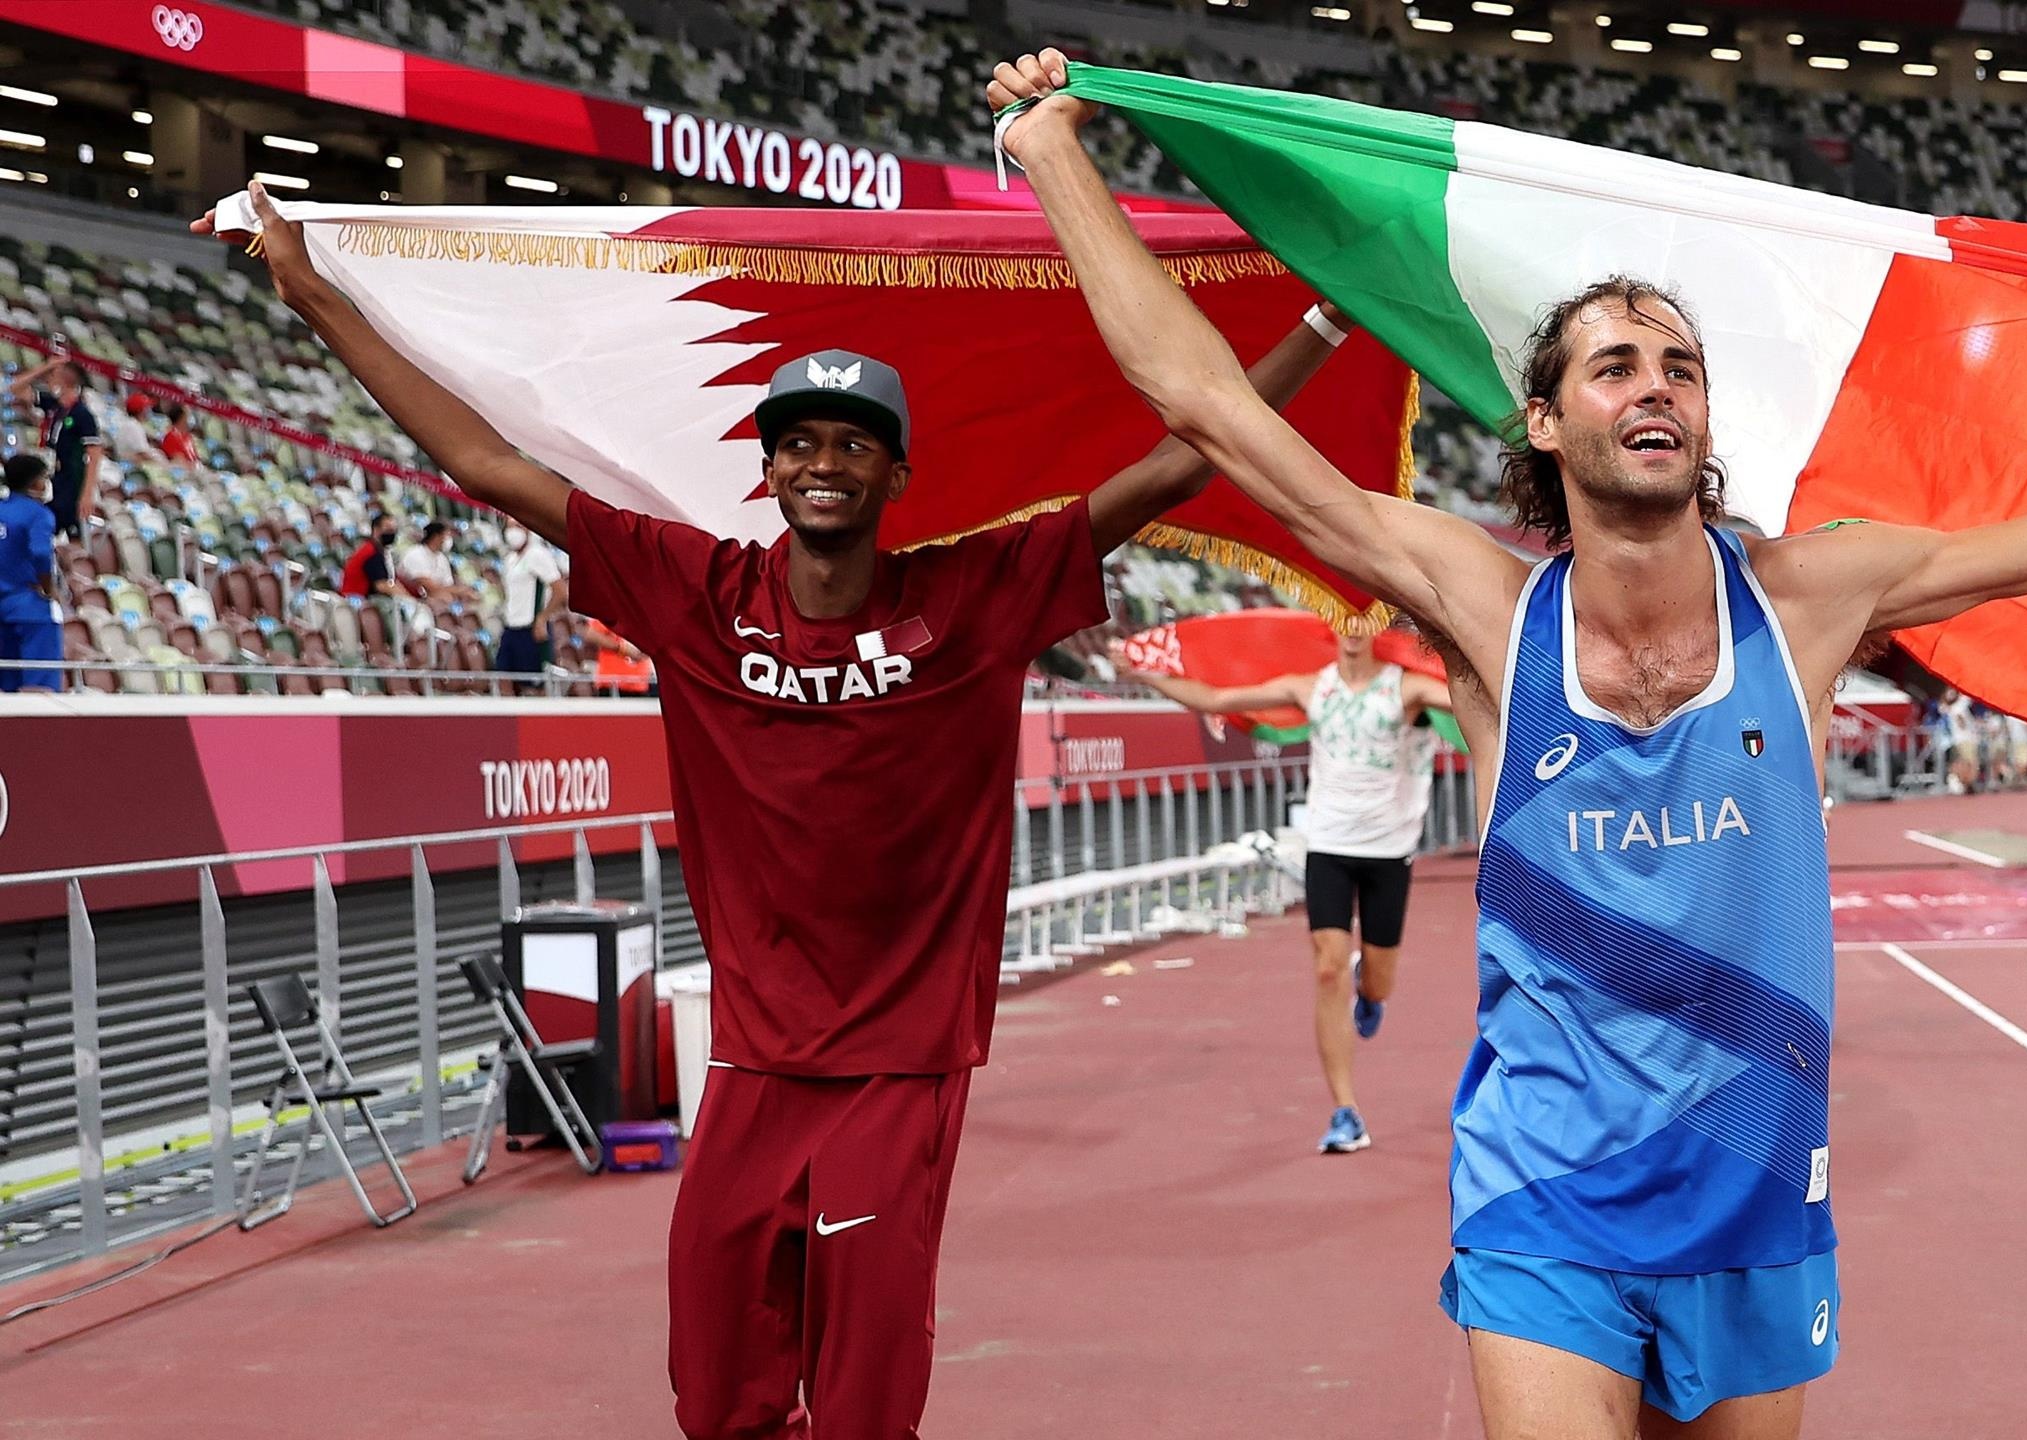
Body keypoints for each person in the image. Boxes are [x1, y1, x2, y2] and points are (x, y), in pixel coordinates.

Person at [991, 49, 2027, 1439]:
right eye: (1613, 366)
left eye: (1680, 368)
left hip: (1753, 1186)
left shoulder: (1811, 597)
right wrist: (1056, 155)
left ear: (1705, 418)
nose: (1653, 387)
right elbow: (1212, 410)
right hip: (1543, 1194)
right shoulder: (1486, 609)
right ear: (1543, 419)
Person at [197, 179, 1353, 1440]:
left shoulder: (976, 594)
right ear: (767, 466)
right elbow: (483, 462)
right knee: (718, 1397)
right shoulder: (691, 589)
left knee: (860, 1407)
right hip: (751, 1062)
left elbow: (1178, 463)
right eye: (799, 442)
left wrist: (1325, 327)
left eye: (853, 443)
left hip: (899, 1066)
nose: (823, 463)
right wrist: (309, 290)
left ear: (897, 472)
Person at [1134, 625, 1450, 1153]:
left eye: (1363, 620)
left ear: (1378, 630)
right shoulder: (1310, 688)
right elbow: (1216, 697)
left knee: (1378, 979)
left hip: (1388, 853)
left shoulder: (1407, 689)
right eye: (1342, 620)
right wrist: (1143, 674)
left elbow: (1466, 702)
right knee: (1326, 968)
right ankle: (1345, 1111)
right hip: (1327, 845)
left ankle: (1369, 991)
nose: (1353, 631)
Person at [7, 356, 100, 539]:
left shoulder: (82, 414)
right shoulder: (53, 405)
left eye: (53, 376)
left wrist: (87, 493)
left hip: (69, 482)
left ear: (65, 382)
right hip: (47, 478)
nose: (48, 380)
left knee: (60, 530)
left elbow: (94, 454)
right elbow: (14, 388)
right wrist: (45, 367)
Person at [0, 453, 60, 692]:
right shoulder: (38, 514)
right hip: (28, 605)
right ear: (35, 482)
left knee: (6, 688)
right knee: (40, 688)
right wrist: (48, 586)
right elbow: (40, 553)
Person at [495, 520, 567, 688]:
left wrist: (542, 618)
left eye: (518, 526)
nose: (513, 531)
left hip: (531, 627)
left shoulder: (537, 554)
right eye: (510, 526)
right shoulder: (510, 559)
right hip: (511, 626)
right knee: (503, 678)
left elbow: (560, 591)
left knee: (535, 683)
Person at [397, 519, 470, 610]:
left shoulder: (442, 558)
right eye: (446, 535)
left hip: (436, 597)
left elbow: (447, 585)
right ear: (436, 537)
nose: (448, 540)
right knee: (445, 597)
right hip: (414, 599)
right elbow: (429, 586)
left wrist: (464, 592)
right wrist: (459, 590)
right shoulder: (415, 554)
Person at [339, 513, 397, 598]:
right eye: (388, 528)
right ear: (376, 529)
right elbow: (382, 585)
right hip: (357, 600)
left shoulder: (379, 551)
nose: (391, 532)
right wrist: (409, 599)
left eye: (393, 529)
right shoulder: (371, 553)